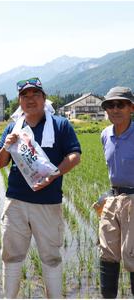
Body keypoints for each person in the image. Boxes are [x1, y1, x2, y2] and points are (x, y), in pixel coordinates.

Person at [0, 77, 81, 298]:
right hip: (16, 202)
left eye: (35, 95)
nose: (30, 100)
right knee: (11, 255)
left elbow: (74, 155)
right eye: (25, 96)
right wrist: (6, 146)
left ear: (44, 98)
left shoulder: (60, 125)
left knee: (51, 256)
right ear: (20, 101)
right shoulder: (14, 127)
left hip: (48, 203)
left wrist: (54, 174)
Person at [98, 86, 134, 298]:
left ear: (131, 107)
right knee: (107, 254)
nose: (115, 109)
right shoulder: (105, 134)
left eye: (120, 104)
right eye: (110, 105)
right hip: (113, 198)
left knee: (132, 255)